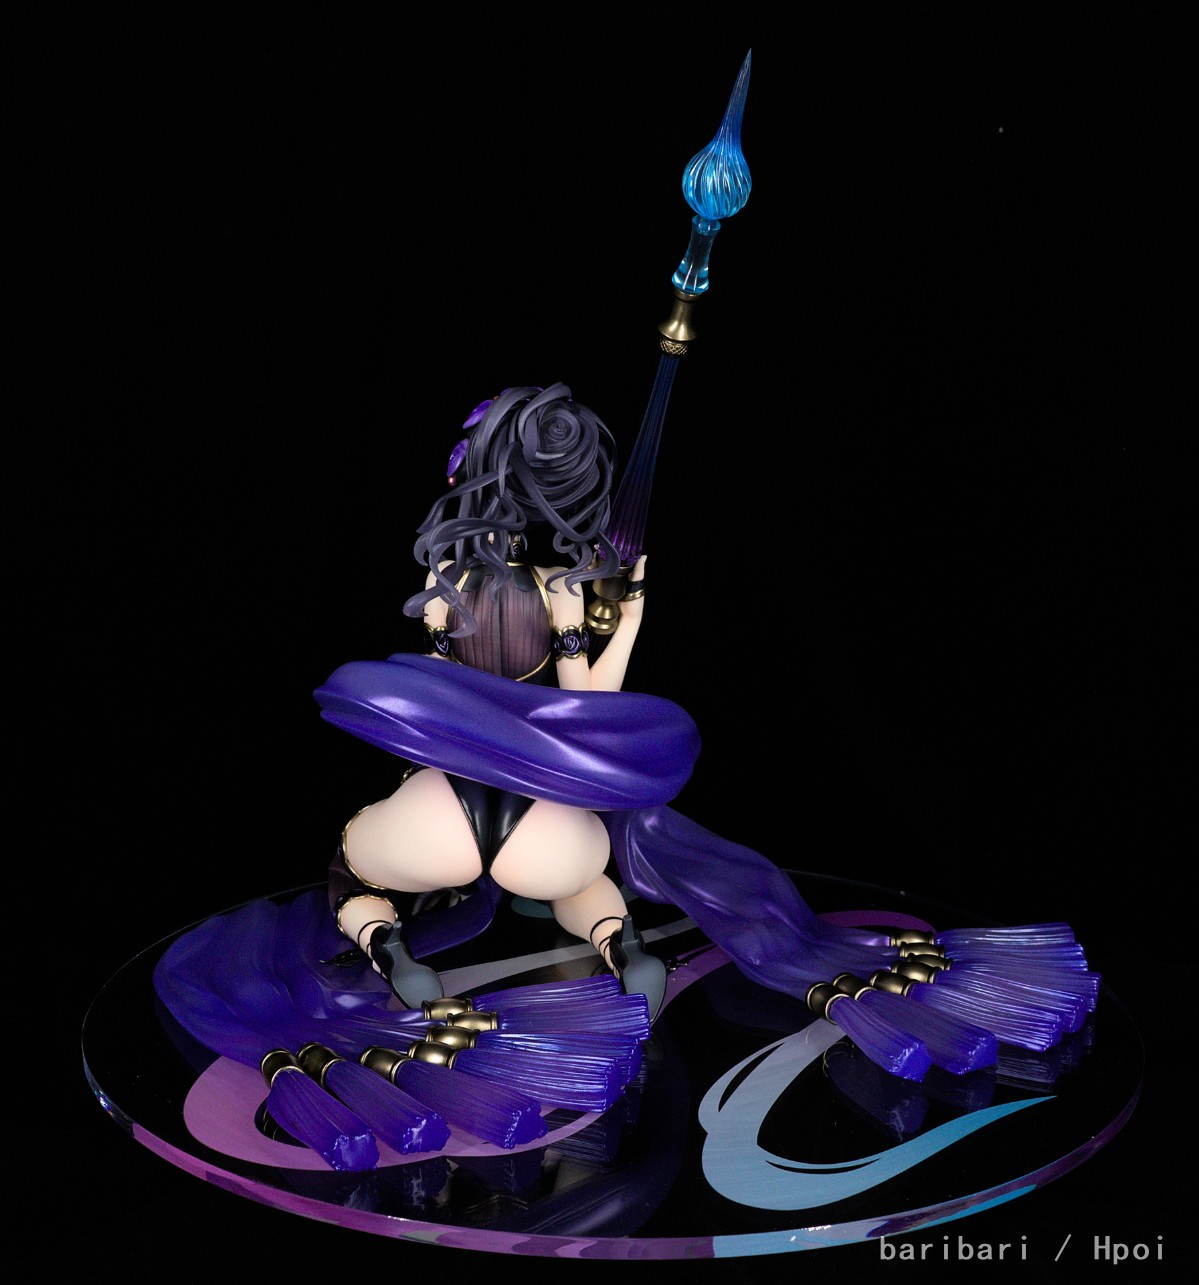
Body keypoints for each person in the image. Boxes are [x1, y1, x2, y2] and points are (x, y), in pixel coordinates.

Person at [320, 383, 676, 1016]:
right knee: (581, 880)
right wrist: (627, 624)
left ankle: (386, 946)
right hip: (541, 821)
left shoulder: (443, 582)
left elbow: (429, 711)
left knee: (351, 871)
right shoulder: (560, 589)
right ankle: (623, 945)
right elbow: (588, 709)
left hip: (439, 813)